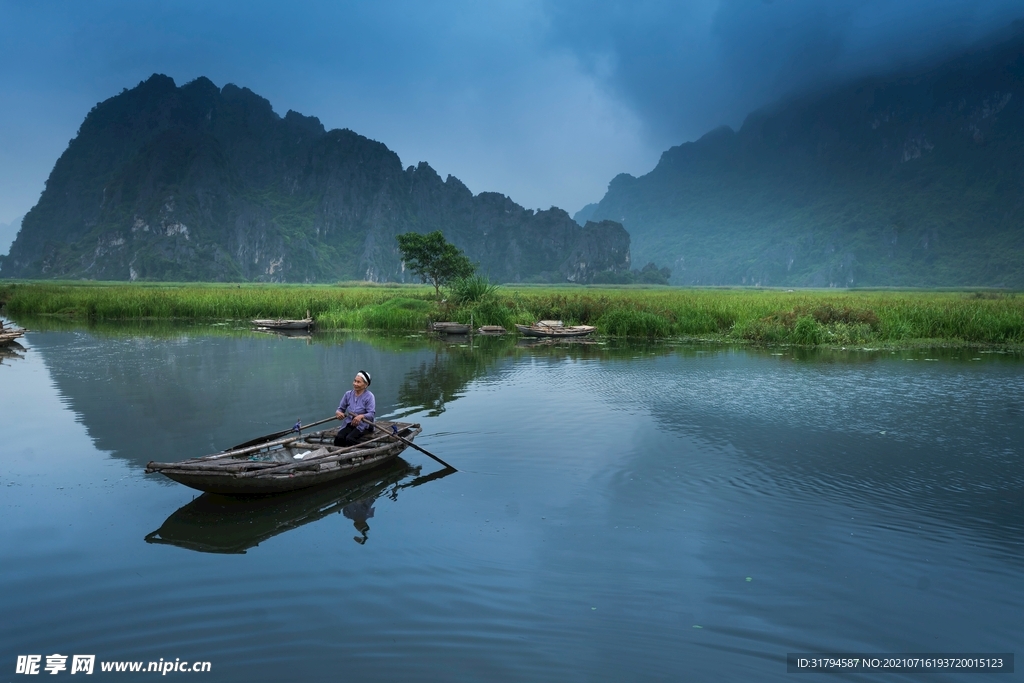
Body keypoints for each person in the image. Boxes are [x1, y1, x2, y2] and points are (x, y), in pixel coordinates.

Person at [334, 370, 376, 447]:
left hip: (365, 425)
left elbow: (371, 414)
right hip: (351, 423)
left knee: (349, 439)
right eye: (355, 381)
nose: (355, 384)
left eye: (358, 382)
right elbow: (340, 409)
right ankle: (343, 456)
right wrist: (338, 413)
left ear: (366, 385)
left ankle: (365, 454)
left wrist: (361, 416)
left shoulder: (369, 396)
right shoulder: (348, 394)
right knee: (339, 437)